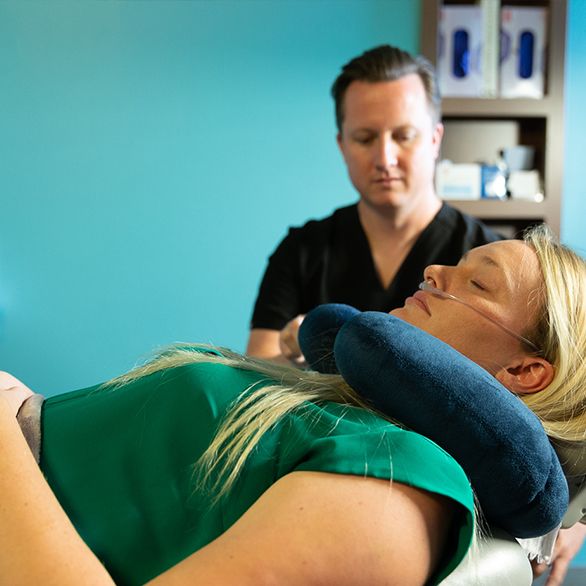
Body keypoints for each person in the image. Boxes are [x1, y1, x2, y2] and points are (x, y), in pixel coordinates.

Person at [1, 226, 585, 585]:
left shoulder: (392, 490)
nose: (435, 271)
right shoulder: (355, 424)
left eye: (477, 284)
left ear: (524, 371)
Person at [247, 44, 502, 364]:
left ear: (435, 139)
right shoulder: (301, 251)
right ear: (342, 146)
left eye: (404, 136)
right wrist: (294, 355)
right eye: (365, 139)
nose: (385, 159)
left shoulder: (482, 256)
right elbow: (256, 371)